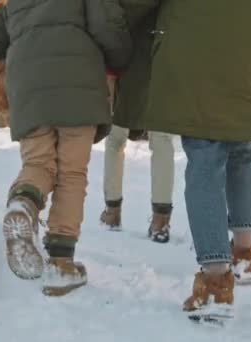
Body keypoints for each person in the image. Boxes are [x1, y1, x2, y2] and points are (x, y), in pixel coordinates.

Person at [117, 0, 251, 320]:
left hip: (196, 41)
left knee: (204, 152)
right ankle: (244, 255)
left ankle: (215, 284)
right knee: (240, 146)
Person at [0, 0, 131, 296]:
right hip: (79, 78)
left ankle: (24, 203)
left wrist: (11, 60)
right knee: (72, 172)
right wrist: (121, 60)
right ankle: (61, 263)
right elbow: (108, 27)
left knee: (37, 163)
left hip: (27, 83)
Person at [100, 11, 175, 243]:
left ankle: (112, 212)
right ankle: (160, 220)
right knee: (162, 139)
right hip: (163, 52)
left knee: (115, 138)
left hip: (125, 56)